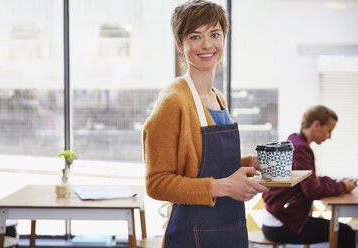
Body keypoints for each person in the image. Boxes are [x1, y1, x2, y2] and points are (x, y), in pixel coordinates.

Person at [142, 1, 268, 247]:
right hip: (193, 234)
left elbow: (199, 162)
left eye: (215, 34)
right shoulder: (173, 101)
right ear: (180, 44)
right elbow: (156, 183)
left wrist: (249, 163)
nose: (207, 45)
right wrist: (224, 187)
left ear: (224, 38)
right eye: (195, 36)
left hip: (230, 229)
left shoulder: (216, 97)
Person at [262, 105, 356, 247]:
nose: (329, 136)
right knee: (345, 233)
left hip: (278, 218)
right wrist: (342, 186)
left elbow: (311, 179)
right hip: (280, 224)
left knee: (343, 230)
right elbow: (312, 190)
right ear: (317, 125)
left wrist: (337, 182)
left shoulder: (295, 141)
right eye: (329, 131)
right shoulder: (301, 148)